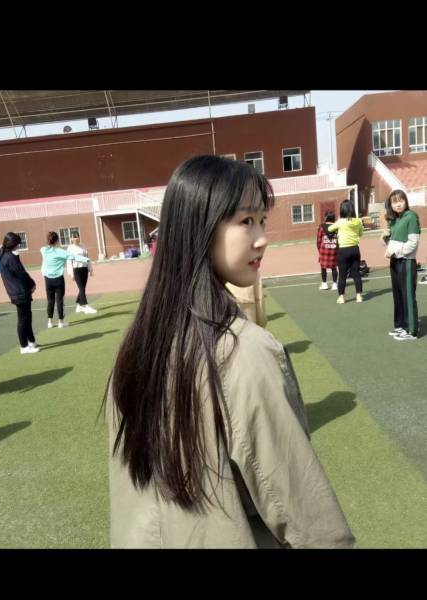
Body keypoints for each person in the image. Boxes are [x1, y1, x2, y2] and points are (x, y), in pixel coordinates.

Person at [105, 154, 356, 549]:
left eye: (263, 220)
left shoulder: (138, 345)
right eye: (245, 221)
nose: (262, 237)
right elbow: (306, 517)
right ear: (199, 227)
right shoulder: (244, 352)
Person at [382, 189, 420, 341]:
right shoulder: (395, 219)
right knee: (398, 295)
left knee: (408, 295)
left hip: (406, 261)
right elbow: (391, 242)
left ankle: (411, 330)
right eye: (394, 202)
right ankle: (401, 325)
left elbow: (413, 243)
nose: (398, 204)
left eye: (401, 200)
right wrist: (385, 238)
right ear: (390, 205)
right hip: (395, 261)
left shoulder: (411, 217)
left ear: (406, 201)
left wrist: (395, 251)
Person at [0, 232, 39, 355]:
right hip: (19, 292)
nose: (18, 246)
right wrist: (32, 283)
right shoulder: (9, 257)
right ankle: (24, 346)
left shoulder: (7, 256)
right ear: (13, 244)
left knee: (27, 317)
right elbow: (21, 273)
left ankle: (31, 341)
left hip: (19, 291)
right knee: (23, 320)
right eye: (17, 244)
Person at [40, 231, 90, 329]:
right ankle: (61, 322)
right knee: (59, 301)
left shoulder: (43, 250)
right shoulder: (61, 252)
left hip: (48, 280)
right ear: (57, 240)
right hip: (58, 280)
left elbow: (43, 248)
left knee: (50, 300)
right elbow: (73, 257)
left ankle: (50, 322)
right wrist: (86, 259)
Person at [328, 200, 364, 304]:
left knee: (342, 275)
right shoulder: (358, 221)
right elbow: (361, 234)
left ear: (342, 210)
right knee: (356, 273)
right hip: (355, 249)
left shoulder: (341, 221)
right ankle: (359, 296)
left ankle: (342, 297)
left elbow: (330, 229)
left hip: (343, 250)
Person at [66, 233, 97, 314]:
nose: (75, 239)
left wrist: (90, 269)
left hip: (84, 269)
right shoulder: (70, 248)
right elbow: (69, 261)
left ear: (79, 237)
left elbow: (87, 258)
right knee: (81, 288)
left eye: (77, 237)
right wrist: (71, 273)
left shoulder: (83, 246)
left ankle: (78, 305)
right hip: (76, 270)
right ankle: (85, 306)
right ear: (71, 239)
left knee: (82, 288)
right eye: (73, 237)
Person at [317, 211, 338, 291]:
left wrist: (319, 250)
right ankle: (335, 284)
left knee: (323, 267)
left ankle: (324, 284)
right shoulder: (337, 227)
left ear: (326, 217)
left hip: (323, 250)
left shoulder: (321, 227)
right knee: (334, 267)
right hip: (334, 250)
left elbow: (319, 240)